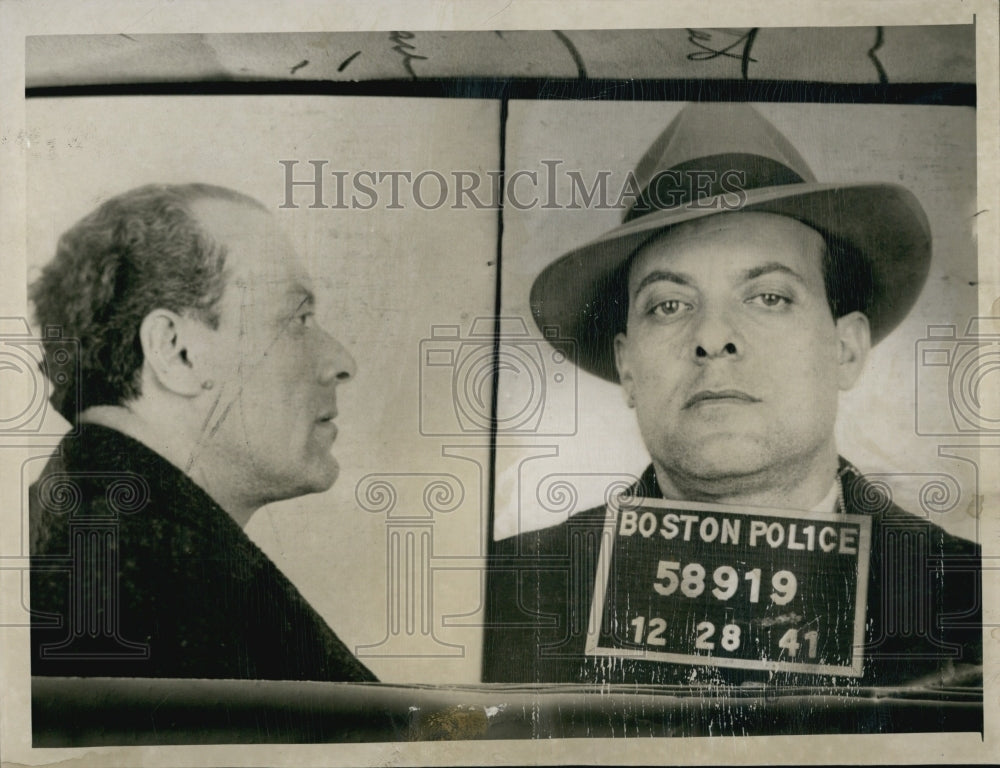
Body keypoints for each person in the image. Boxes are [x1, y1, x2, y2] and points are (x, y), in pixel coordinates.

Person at [483, 104, 982, 692]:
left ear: (845, 349)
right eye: (669, 304)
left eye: (769, 297)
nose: (713, 338)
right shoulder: (502, 599)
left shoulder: (976, 598)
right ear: (627, 366)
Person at [29, 183, 377, 682]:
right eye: (297, 319)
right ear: (176, 352)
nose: (342, 362)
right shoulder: (137, 591)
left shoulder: (82, 547)